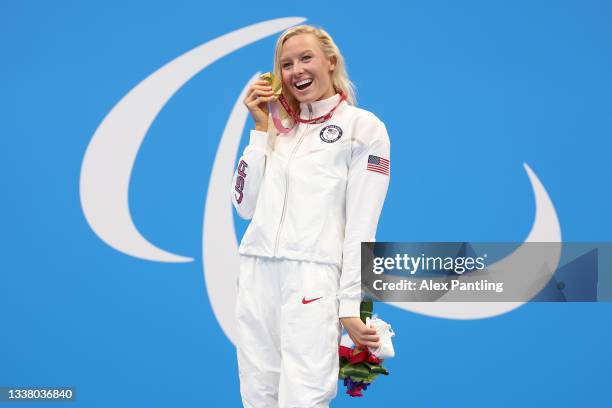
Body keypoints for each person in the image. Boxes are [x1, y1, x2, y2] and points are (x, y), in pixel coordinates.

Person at [231, 24, 391, 408]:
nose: (296, 70)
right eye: (286, 64)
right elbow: (243, 206)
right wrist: (259, 129)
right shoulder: (276, 127)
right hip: (256, 274)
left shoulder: (363, 127)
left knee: (303, 398)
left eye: (306, 58)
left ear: (330, 61)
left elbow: (362, 226)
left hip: (313, 277)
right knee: (257, 397)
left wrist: (350, 305)